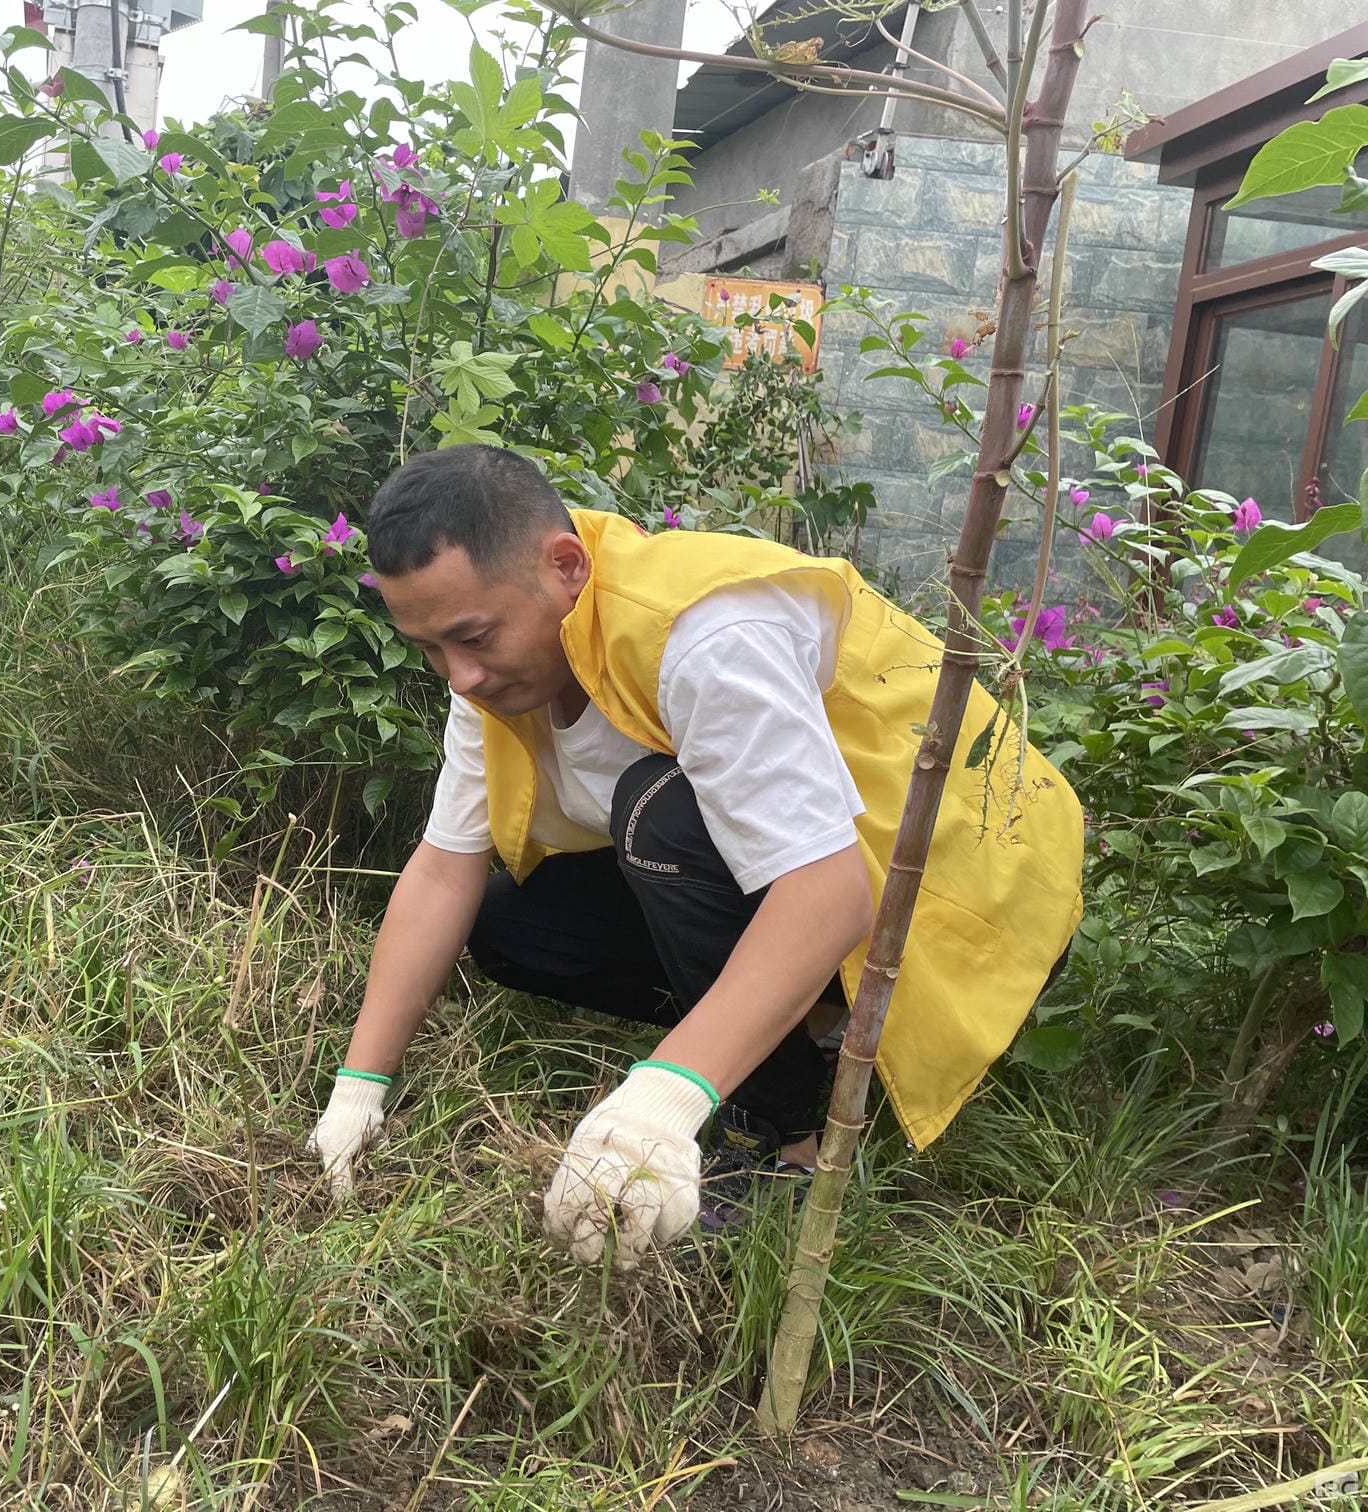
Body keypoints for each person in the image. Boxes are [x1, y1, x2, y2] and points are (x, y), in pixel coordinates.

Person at [307, 445, 1083, 1268]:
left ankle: (784, 1142)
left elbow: (829, 890)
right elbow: (442, 869)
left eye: (471, 638)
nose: (458, 677)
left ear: (564, 566)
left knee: (660, 817)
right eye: (430, 649)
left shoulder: (703, 633)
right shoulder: (500, 677)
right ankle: (811, 1025)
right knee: (511, 924)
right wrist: (361, 1089)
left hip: (960, 896)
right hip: (815, 882)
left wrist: (659, 1102)